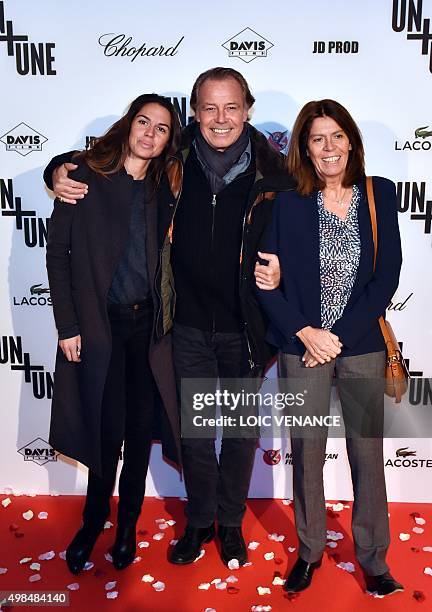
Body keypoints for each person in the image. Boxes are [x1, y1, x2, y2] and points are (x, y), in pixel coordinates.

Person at [45, 67, 289, 567]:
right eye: (209, 108)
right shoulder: (173, 164)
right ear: (195, 113)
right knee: (194, 435)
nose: (221, 119)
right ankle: (198, 523)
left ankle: (229, 525)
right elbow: (100, 167)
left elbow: (303, 224)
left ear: (248, 109)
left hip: (244, 331)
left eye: (232, 108)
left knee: (240, 435)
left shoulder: (276, 175)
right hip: (186, 330)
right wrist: (57, 168)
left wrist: (282, 263)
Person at [257, 99, 404, 597]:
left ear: (352, 141)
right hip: (303, 348)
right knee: (307, 451)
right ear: (304, 147)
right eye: (317, 138)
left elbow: (386, 278)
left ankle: (373, 558)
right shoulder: (288, 203)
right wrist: (307, 334)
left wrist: (335, 336)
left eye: (337, 135)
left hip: (360, 347)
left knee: (367, 454)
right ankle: (310, 550)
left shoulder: (379, 194)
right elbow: (265, 282)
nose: (329, 147)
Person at [45, 93, 182, 575]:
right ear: (128, 125)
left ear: (169, 140)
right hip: (101, 329)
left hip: (149, 333)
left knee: (141, 434)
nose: (149, 133)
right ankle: (91, 522)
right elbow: (57, 255)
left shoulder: (167, 187)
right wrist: (68, 325)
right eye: (143, 122)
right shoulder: (83, 178)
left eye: (161, 128)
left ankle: (126, 528)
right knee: (104, 435)